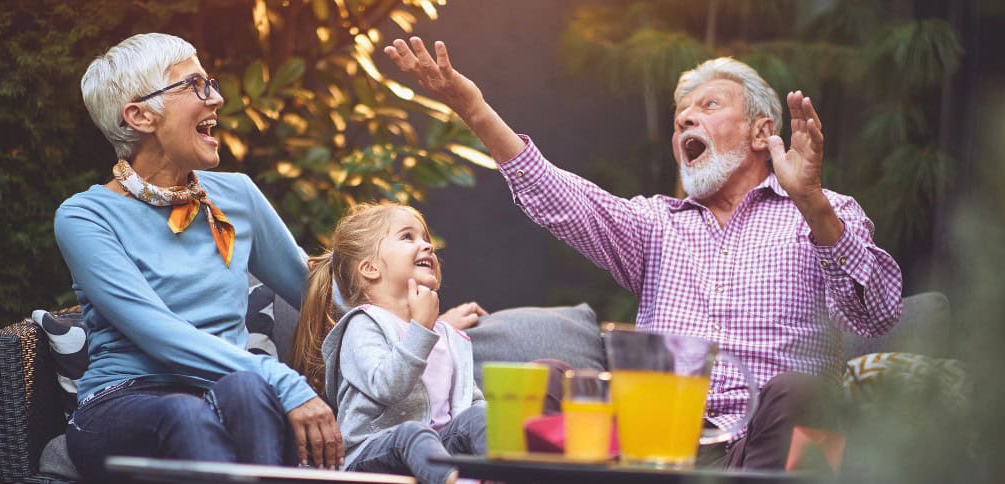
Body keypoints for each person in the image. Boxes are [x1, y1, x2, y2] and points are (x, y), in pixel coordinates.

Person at [383, 37, 904, 469]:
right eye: (680, 117)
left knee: (801, 391)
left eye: (709, 106)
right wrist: (472, 109)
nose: (685, 122)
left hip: (763, 443)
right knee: (544, 380)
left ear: (760, 132)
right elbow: (557, 194)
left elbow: (877, 313)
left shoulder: (822, 211)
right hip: (651, 445)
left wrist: (812, 204)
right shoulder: (655, 225)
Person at [55, 33, 342, 479]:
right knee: (188, 413)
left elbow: (316, 293)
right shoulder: (85, 217)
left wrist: (410, 322)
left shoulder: (238, 195)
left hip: (228, 394)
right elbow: (158, 332)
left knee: (246, 389)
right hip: (122, 403)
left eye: (211, 83)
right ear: (140, 115)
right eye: (195, 86)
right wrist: (282, 379)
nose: (218, 98)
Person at [296, 202, 486, 484]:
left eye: (426, 238)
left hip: (441, 450)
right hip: (373, 453)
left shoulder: (448, 336)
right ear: (370, 268)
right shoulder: (362, 325)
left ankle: (499, 476)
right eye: (408, 237)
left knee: (479, 418)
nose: (427, 246)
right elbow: (386, 386)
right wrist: (421, 328)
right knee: (413, 434)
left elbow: (469, 401)